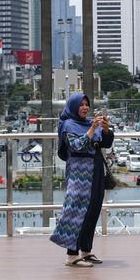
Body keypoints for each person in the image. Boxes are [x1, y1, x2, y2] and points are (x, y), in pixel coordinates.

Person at [50, 93, 114, 267]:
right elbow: (77, 146)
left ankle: (86, 251)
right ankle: (71, 255)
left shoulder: (88, 123)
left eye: (87, 104)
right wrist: (93, 129)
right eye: (81, 104)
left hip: (96, 171)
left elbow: (105, 143)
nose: (85, 107)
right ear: (73, 106)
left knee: (93, 210)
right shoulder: (69, 125)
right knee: (76, 211)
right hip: (80, 175)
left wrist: (106, 129)